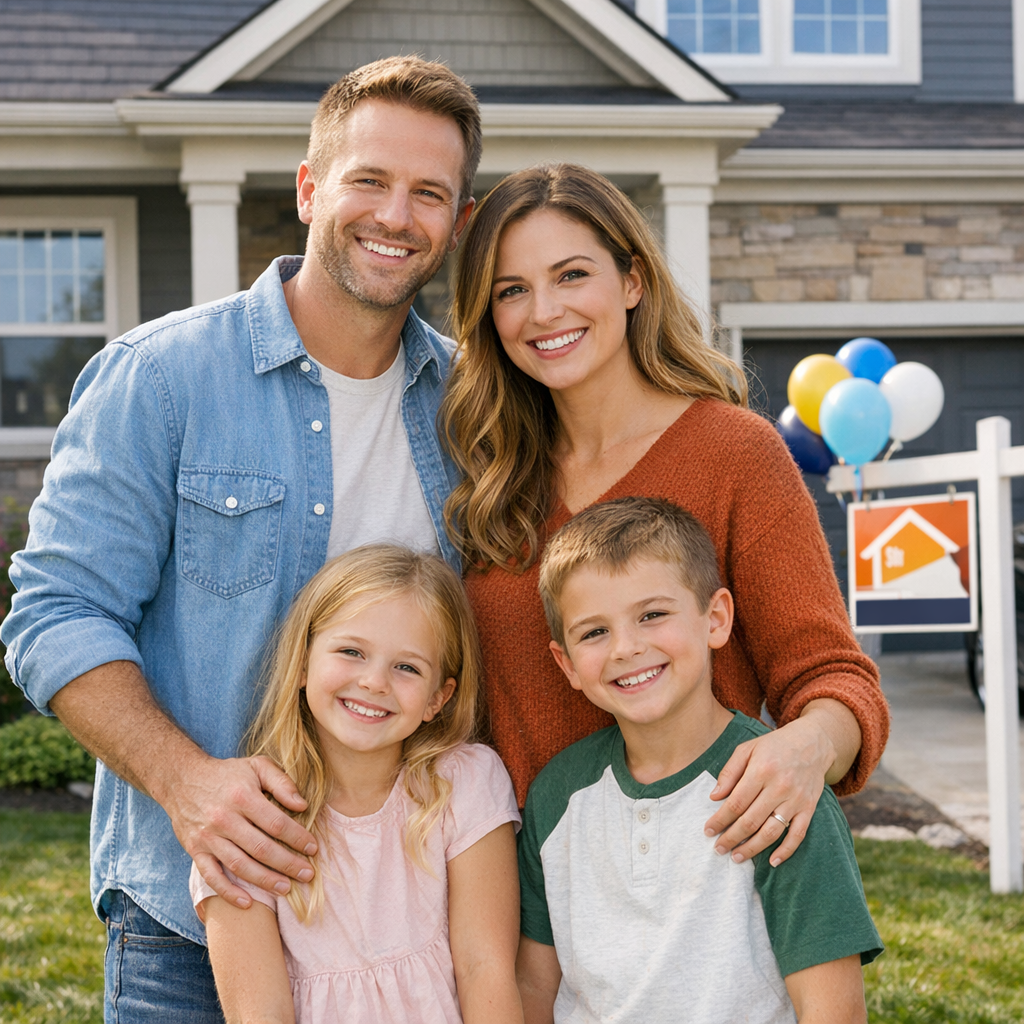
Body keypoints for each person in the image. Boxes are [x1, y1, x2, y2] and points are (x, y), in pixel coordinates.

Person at [1, 57, 480, 1022]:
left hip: (404, 935)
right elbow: (55, 613)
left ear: (459, 222)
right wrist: (189, 784)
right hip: (195, 917)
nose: (398, 215)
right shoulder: (162, 377)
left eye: (430, 193)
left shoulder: (475, 409)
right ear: (310, 188)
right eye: (370, 180)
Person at [440, 163, 890, 864]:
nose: (545, 311)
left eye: (572, 275)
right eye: (512, 291)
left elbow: (832, 678)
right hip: (523, 901)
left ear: (632, 281)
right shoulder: (489, 476)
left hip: (694, 891)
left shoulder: (735, 452)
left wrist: (806, 747)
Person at [516, 497, 882, 1024]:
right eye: (594, 632)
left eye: (653, 615)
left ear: (716, 619)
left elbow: (833, 1012)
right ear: (566, 663)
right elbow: (534, 984)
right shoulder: (558, 794)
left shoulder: (777, 789)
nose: (625, 647)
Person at [191, 545, 523, 1024]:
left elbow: (484, 970)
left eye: (406, 667)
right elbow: (260, 1015)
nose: (374, 682)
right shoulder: (248, 824)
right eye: (351, 652)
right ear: (302, 663)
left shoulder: (465, 783)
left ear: (438, 697)